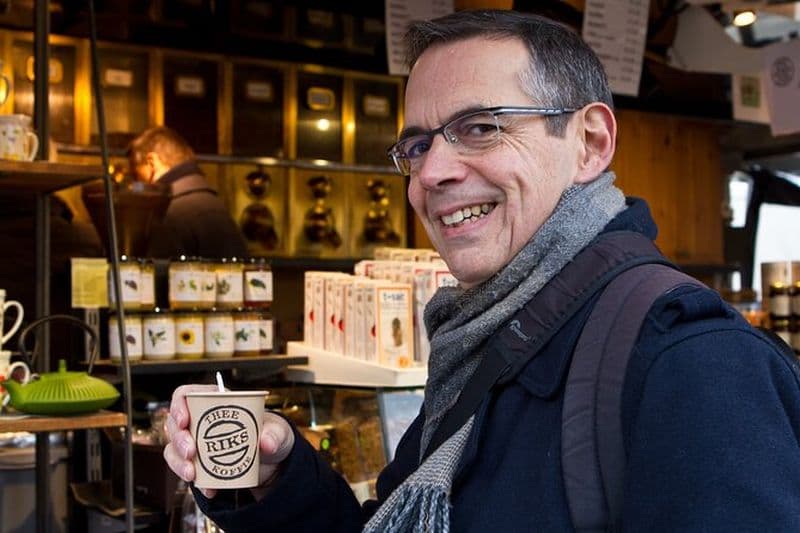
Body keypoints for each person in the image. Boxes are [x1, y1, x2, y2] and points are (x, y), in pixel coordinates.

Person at [163, 10, 800, 531]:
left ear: (590, 143)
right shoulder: (481, 341)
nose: (432, 173)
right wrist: (278, 478)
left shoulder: (694, 361)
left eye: (480, 127)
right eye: (417, 145)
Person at [127, 126, 247, 258]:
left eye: (135, 174)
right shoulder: (217, 205)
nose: (137, 182)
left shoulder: (167, 214)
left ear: (152, 162)